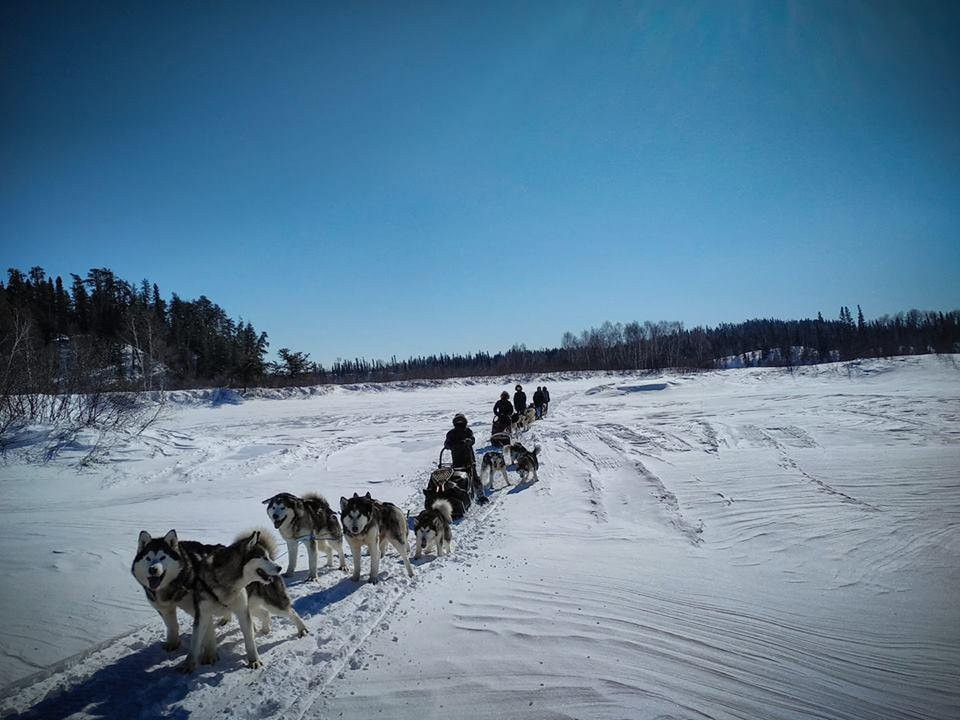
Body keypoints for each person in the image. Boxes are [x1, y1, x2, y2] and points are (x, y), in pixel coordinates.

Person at [443, 414, 487, 504]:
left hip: (468, 457)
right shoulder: (451, 433)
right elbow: (446, 443)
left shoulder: (467, 431)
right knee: (457, 476)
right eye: (458, 422)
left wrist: (468, 441)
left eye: (461, 422)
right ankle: (458, 494)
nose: (460, 424)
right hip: (457, 458)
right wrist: (452, 445)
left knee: (473, 475)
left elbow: (472, 439)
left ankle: (480, 495)